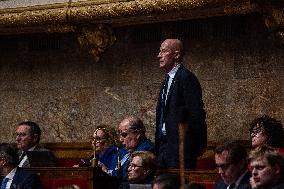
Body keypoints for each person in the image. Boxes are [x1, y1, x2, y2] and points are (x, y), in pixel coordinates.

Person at [155, 38, 207, 169]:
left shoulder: (186, 77)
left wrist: (198, 145)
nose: (159, 55)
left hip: (181, 149)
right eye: (159, 51)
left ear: (177, 55)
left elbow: (197, 114)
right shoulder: (167, 80)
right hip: (164, 147)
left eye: (164, 51)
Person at [113, 116, 155, 181]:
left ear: (137, 134)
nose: (120, 139)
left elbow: (126, 175)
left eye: (124, 135)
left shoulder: (146, 150)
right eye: (120, 135)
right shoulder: (124, 149)